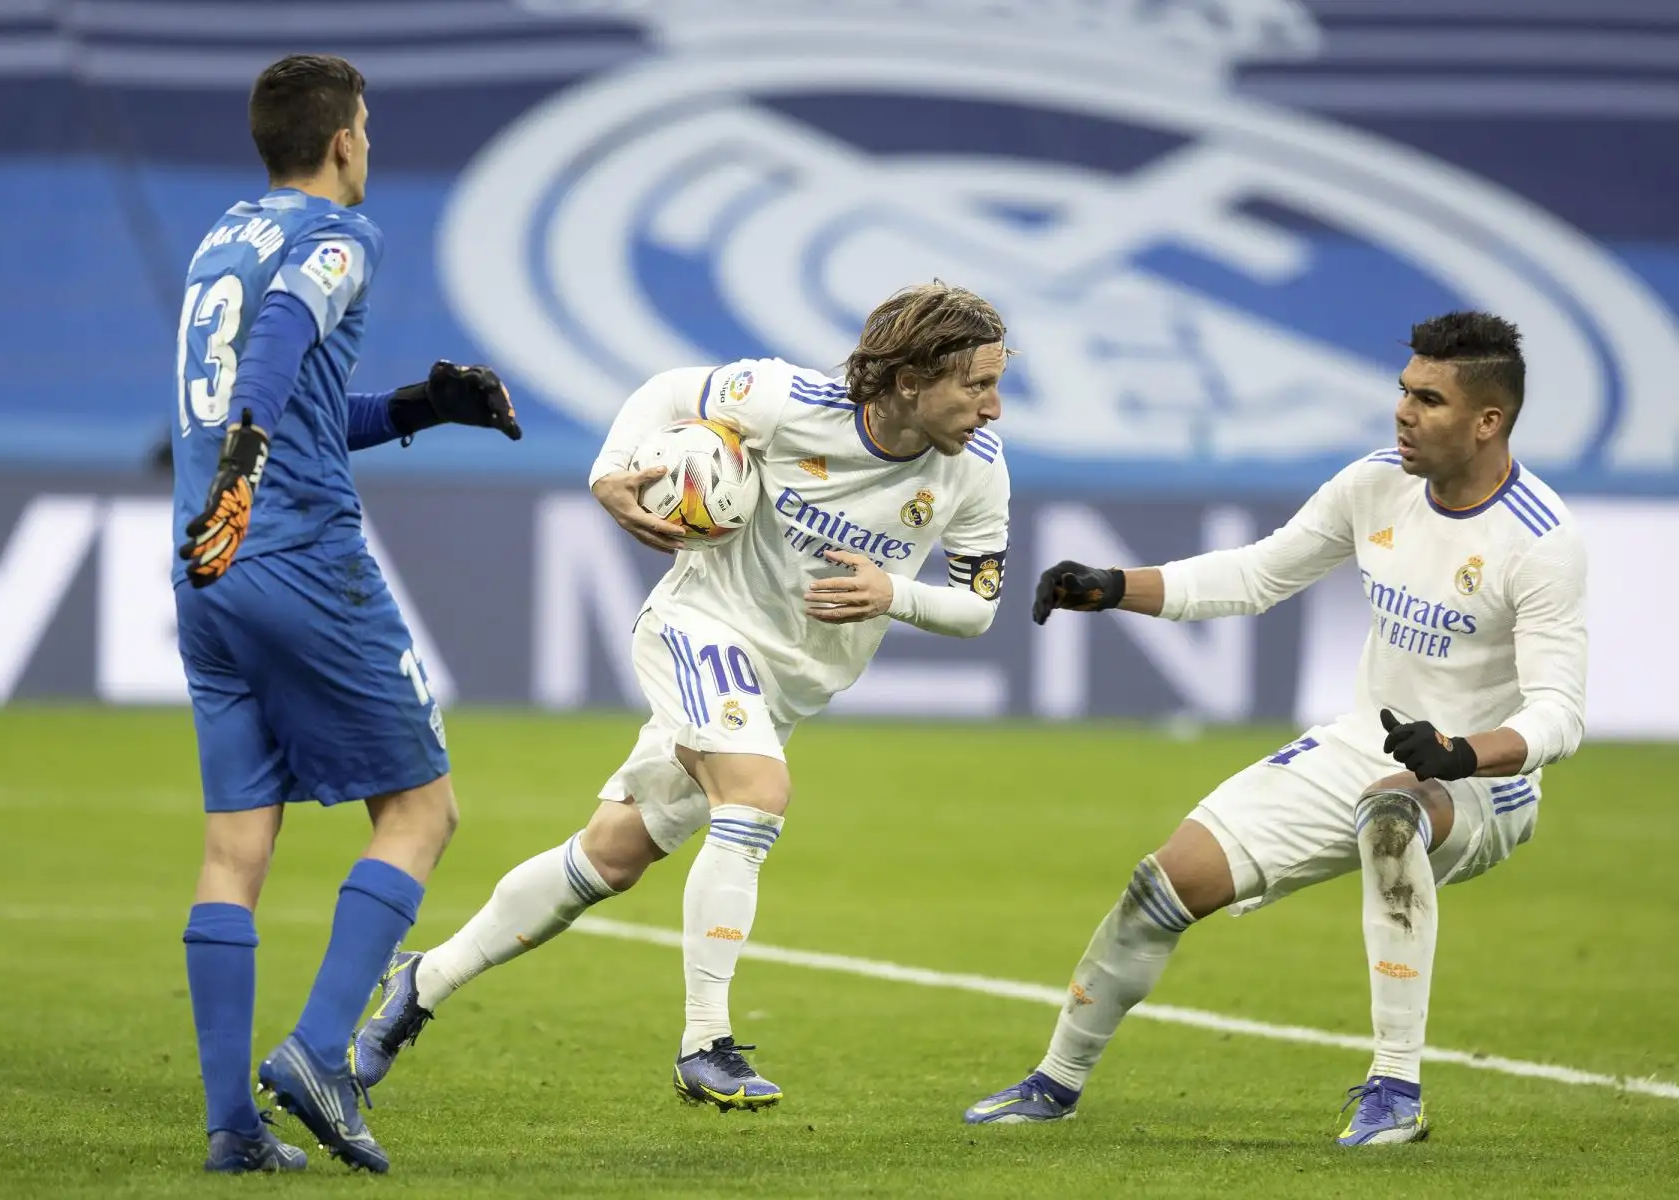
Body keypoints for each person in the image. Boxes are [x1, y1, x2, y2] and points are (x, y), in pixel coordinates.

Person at [354, 282, 1013, 1111]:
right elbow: (668, 391)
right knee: (758, 792)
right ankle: (706, 1043)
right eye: (977, 386)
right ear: (912, 380)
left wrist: (896, 594)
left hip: (786, 690)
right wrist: (610, 472)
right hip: (699, 627)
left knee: (610, 856)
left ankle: (424, 981)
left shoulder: (978, 474)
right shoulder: (787, 400)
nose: (993, 409)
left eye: (997, 385)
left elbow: (979, 606)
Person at [964, 311, 1586, 1146]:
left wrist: (1461, 754)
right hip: (1368, 744)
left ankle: (1394, 1088)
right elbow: (1258, 574)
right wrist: (1116, 585)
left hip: (1483, 782)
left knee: (1392, 815)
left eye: (1429, 400)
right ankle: (1054, 1082)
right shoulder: (1375, 483)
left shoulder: (1541, 541)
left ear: (1488, 421)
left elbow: (1558, 714)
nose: (1403, 411)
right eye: (1403, 391)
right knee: (1162, 884)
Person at [170, 53, 520, 1175]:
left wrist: (421, 406)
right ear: (339, 142)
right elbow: (281, 334)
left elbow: (295, 391)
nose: (368, 142)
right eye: (364, 125)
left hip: (206, 569)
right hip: (300, 553)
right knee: (422, 811)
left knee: (234, 849)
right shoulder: (341, 237)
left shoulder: (221, 234)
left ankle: (233, 1129)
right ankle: (322, 1053)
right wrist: (249, 454)